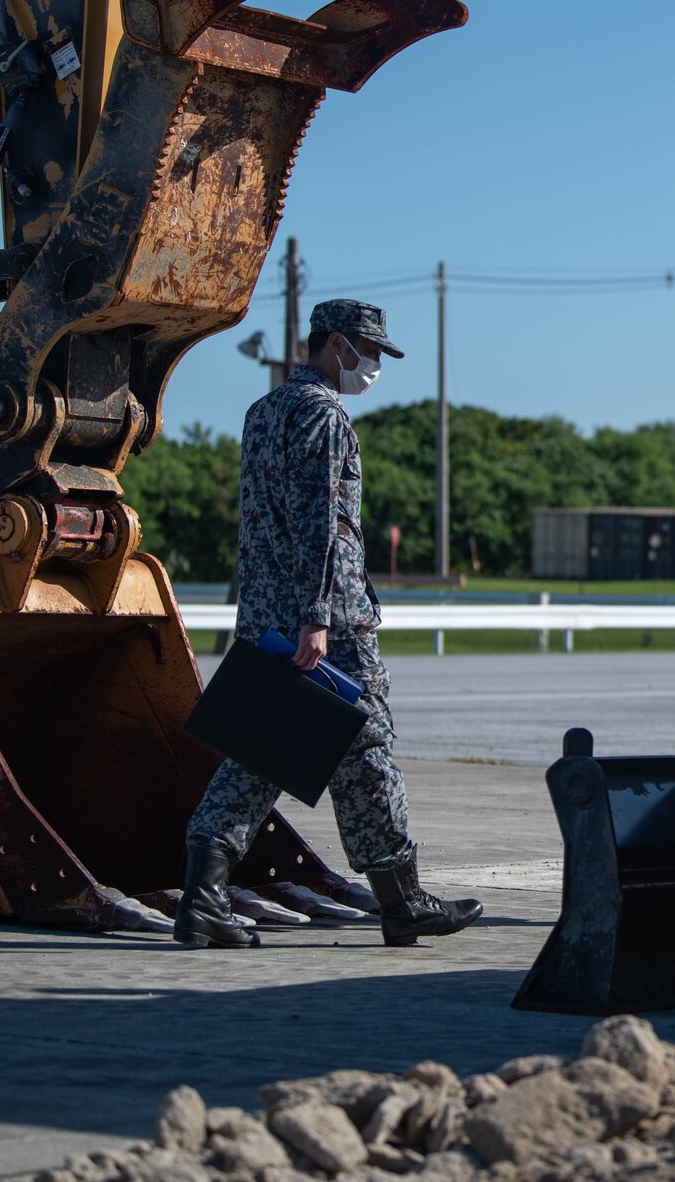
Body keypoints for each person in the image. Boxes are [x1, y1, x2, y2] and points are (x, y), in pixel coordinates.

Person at [174, 299, 482, 949]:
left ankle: (203, 895)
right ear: (335, 344)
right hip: (327, 618)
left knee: (260, 753)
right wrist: (317, 617)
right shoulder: (324, 413)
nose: (373, 365)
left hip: (266, 611)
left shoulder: (265, 411)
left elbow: (264, 523)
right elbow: (318, 522)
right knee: (366, 746)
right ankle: (403, 899)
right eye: (369, 352)